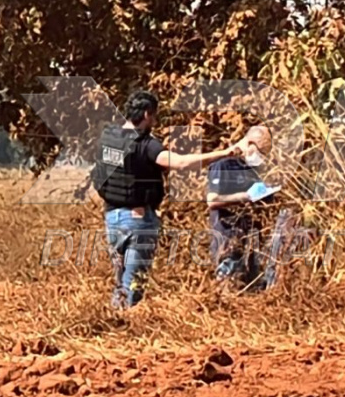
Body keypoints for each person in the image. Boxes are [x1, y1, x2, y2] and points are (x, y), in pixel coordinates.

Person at [91, 90, 241, 308]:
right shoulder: (147, 144)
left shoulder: (108, 138)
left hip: (112, 219)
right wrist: (225, 153)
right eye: (153, 116)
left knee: (120, 281)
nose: (154, 120)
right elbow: (180, 163)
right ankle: (123, 327)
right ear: (145, 114)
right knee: (133, 283)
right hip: (137, 220)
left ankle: (114, 320)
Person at [206, 126, 281, 291]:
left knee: (251, 291)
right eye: (261, 152)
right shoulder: (224, 166)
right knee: (228, 289)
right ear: (250, 144)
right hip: (227, 239)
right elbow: (212, 200)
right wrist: (245, 196)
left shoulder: (254, 170)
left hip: (251, 241)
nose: (262, 157)